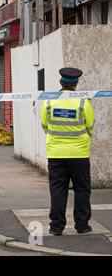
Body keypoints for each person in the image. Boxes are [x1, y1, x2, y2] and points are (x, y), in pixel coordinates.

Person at [41, 67, 95, 236]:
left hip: (56, 153)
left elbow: (45, 125)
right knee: (82, 189)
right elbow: (90, 127)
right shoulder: (83, 101)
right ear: (76, 83)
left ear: (60, 82)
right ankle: (82, 225)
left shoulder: (49, 101)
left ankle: (56, 227)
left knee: (57, 189)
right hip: (79, 154)